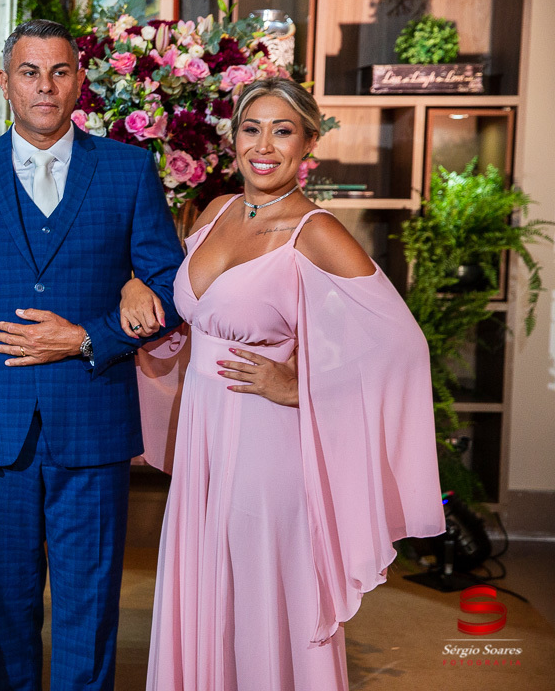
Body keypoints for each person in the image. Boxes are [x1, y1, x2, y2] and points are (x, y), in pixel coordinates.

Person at [132, 77, 445, 690]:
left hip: (266, 441)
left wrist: (300, 386)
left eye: (283, 131)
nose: (264, 146)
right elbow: (182, 303)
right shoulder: (217, 211)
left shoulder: (316, 231)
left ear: (308, 143)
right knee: (210, 585)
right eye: (252, 129)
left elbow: (403, 345)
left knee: (263, 590)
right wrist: (132, 285)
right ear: (233, 138)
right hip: (204, 438)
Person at [0, 19, 183, 691]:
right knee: (6, 612)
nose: (45, 86)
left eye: (60, 71)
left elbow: (171, 289)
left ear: (80, 82)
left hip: (92, 425)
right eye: (30, 72)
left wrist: (88, 336)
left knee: (89, 612)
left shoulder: (127, 170)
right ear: (5, 82)